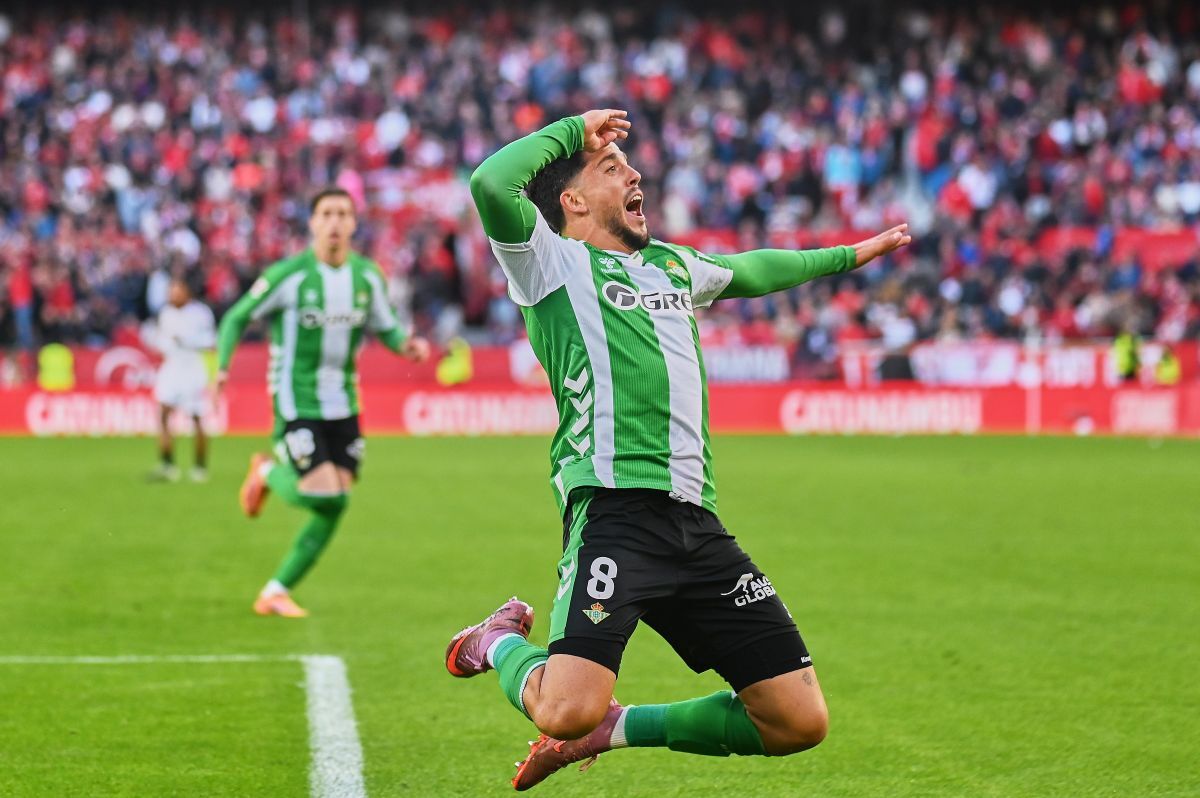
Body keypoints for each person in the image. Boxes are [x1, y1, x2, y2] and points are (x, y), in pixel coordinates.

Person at [445, 109, 911, 790]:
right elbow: (491, 183)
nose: (634, 174)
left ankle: (618, 728)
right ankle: (500, 642)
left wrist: (849, 255)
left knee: (795, 720)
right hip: (615, 515)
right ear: (571, 200)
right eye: (611, 169)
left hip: (697, 524)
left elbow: (753, 270)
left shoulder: (671, 266)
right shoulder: (549, 265)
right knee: (567, 708)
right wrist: (576, 131)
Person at [216, 187, 431, 618]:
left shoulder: (367, 276)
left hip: (345, 403)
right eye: (326, 214)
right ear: (313, 223)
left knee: (337, 502)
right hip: (297, 400)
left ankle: (275, 591)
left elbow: (385, 327)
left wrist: (405, 346)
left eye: (343, 214)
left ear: (353, 224)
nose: (334, 222)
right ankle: (266, 470)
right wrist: (221, 366)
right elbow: (238, 315)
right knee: (325, 496)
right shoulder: (289, 275)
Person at [147, 276, 215, 483]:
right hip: (171, 368)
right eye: (171, 291)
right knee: (163, 414)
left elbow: (211, 341)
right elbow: (161, 339)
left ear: (187, 292)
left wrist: (186, 341)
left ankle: (200, 467)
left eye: (177, 291)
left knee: (196, 419)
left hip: (192, 370)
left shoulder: (201, 313)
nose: (172, 295)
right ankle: (168, 465)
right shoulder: (165, 313)